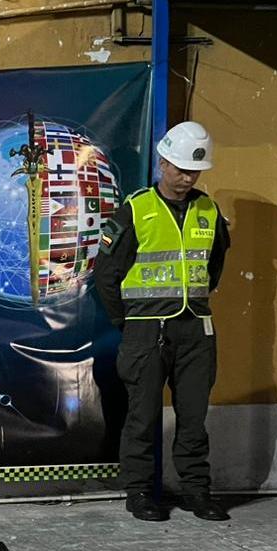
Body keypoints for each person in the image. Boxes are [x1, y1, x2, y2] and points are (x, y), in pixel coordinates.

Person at [95, 122, 231, 522]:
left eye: (195, 171)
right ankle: (139, 492)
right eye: (181, 169)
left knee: (194, 417)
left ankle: (196, 491)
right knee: (143, 416)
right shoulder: (136, 210)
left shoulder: (209, 211)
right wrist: (127, 322)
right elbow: (106, 274)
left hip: (196, 330)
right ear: (163, 163)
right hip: (145, 329)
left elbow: (215, 264)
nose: (187, 178)